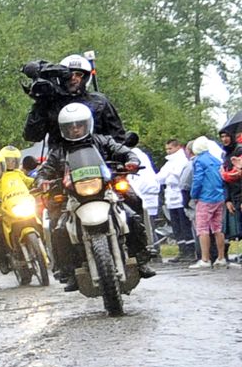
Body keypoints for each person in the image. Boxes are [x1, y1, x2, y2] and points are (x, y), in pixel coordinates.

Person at [35, 103, 155, 290]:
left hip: (104, 189)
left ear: (87, 124)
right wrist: (42, 180)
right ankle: (69, 270)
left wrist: (131, 161)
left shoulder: (103, 140)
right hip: (73, 195)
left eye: (79, 125)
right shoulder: (59, 150)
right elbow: (45, 170)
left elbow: (124, 151)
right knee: (58, 228)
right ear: (64, 129)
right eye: (70, 126)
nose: (75, 129)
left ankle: (141, 256)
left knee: (132, 210)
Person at [22, 54, 127, 145]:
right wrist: (40, 104)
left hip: (97, 159)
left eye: (78, 74)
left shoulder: (100, 102)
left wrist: (121, 159)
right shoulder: (51, 102)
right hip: (59, 161)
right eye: (69, 74)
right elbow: (32, 136)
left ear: (85, 77)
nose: (73, 78)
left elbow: (118, 138)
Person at [188, 136, 230, 270]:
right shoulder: (215, 160)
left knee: (202, 228)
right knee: (218, 227)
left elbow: (198, 179)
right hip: (219, 197)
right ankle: (221, 257)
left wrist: (194, 194)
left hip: (205, 198)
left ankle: (205, 259)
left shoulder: (199, 161)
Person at [156, 138, 195, 261]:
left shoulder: (182, 160)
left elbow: (178, 177)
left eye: (170, 148)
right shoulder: (169, 162)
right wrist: (169, 176)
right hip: (170, 198)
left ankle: (190, 250)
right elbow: (160, 177)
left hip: (179, 197)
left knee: (185, 226)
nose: (168, 151)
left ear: (178, 147)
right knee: (176, 227)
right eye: (166, 149)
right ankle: (182, 250)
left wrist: (169, 176)